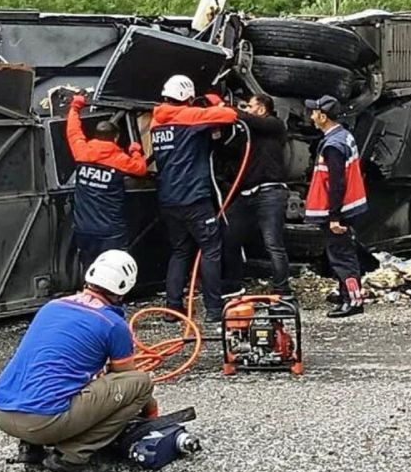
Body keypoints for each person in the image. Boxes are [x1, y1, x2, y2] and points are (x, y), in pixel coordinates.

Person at [0, 250, 156, 472]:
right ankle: (72, 457)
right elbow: (125, 378)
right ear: (124, 289)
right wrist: (151, 412)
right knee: (142, 382)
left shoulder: (53, 306)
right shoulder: (113, 324)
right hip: (43, 421)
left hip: (0, 411)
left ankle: (31, 448)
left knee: (50, 376)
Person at [150, 74, 238, 324]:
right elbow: (230, 116)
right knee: (210, 249)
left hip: (168, 199)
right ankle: (213, 308)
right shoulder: (188, 117)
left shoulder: (157, 122)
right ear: (187, 98)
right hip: (194, 198)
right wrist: (214, 101)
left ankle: (173, 308)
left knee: (180, 251)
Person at [305, 95, 369, 318]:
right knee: (342, 252)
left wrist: (334, 217)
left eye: (314, 112)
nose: (311, 116)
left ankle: (353, 300)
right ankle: (346, 293)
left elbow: (336, 184)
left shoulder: (333, 145)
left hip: (339, 209)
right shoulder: (344, 135)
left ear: (323, 116)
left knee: (342, 257)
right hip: (350, 206)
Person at [222, 94, 292, 298]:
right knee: (229, 236)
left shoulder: (274, 125)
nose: (247, 110)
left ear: (262, 109)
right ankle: (234, 284)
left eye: (250, 106)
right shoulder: (247, 133)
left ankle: (282, 289)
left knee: (273, 242)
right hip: (246, 194)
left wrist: (227, 108)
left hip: (270, 192)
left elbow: (249, 119)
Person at [66, 93, 147, 267]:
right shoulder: (119, 160)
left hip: (84, 228)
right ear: (116, 138)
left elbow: (73, 131)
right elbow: (140, 169)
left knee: (90, 270)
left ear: (95, 136)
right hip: (111, 231)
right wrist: (135, 151)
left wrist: (75, 108)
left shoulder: (82, 152)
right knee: (114, 270)